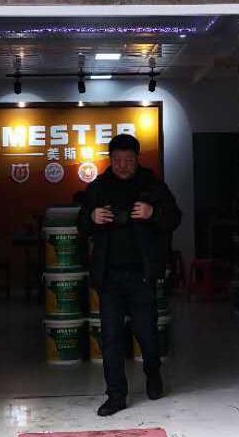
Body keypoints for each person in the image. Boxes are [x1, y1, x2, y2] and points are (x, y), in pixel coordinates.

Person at [77, 133, 182, 416]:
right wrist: (91, 218)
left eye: (128, 160)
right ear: (110, 160)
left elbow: (175, 218)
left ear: (137, 159)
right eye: (117, 160)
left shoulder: (152, 185)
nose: (123, 166)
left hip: (142, 274)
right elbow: (81, 224)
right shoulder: (98, 187)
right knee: (111, 337)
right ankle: (116, 395)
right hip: (109, 276)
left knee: (146, 332)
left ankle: (153, 374)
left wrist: (153, 212)